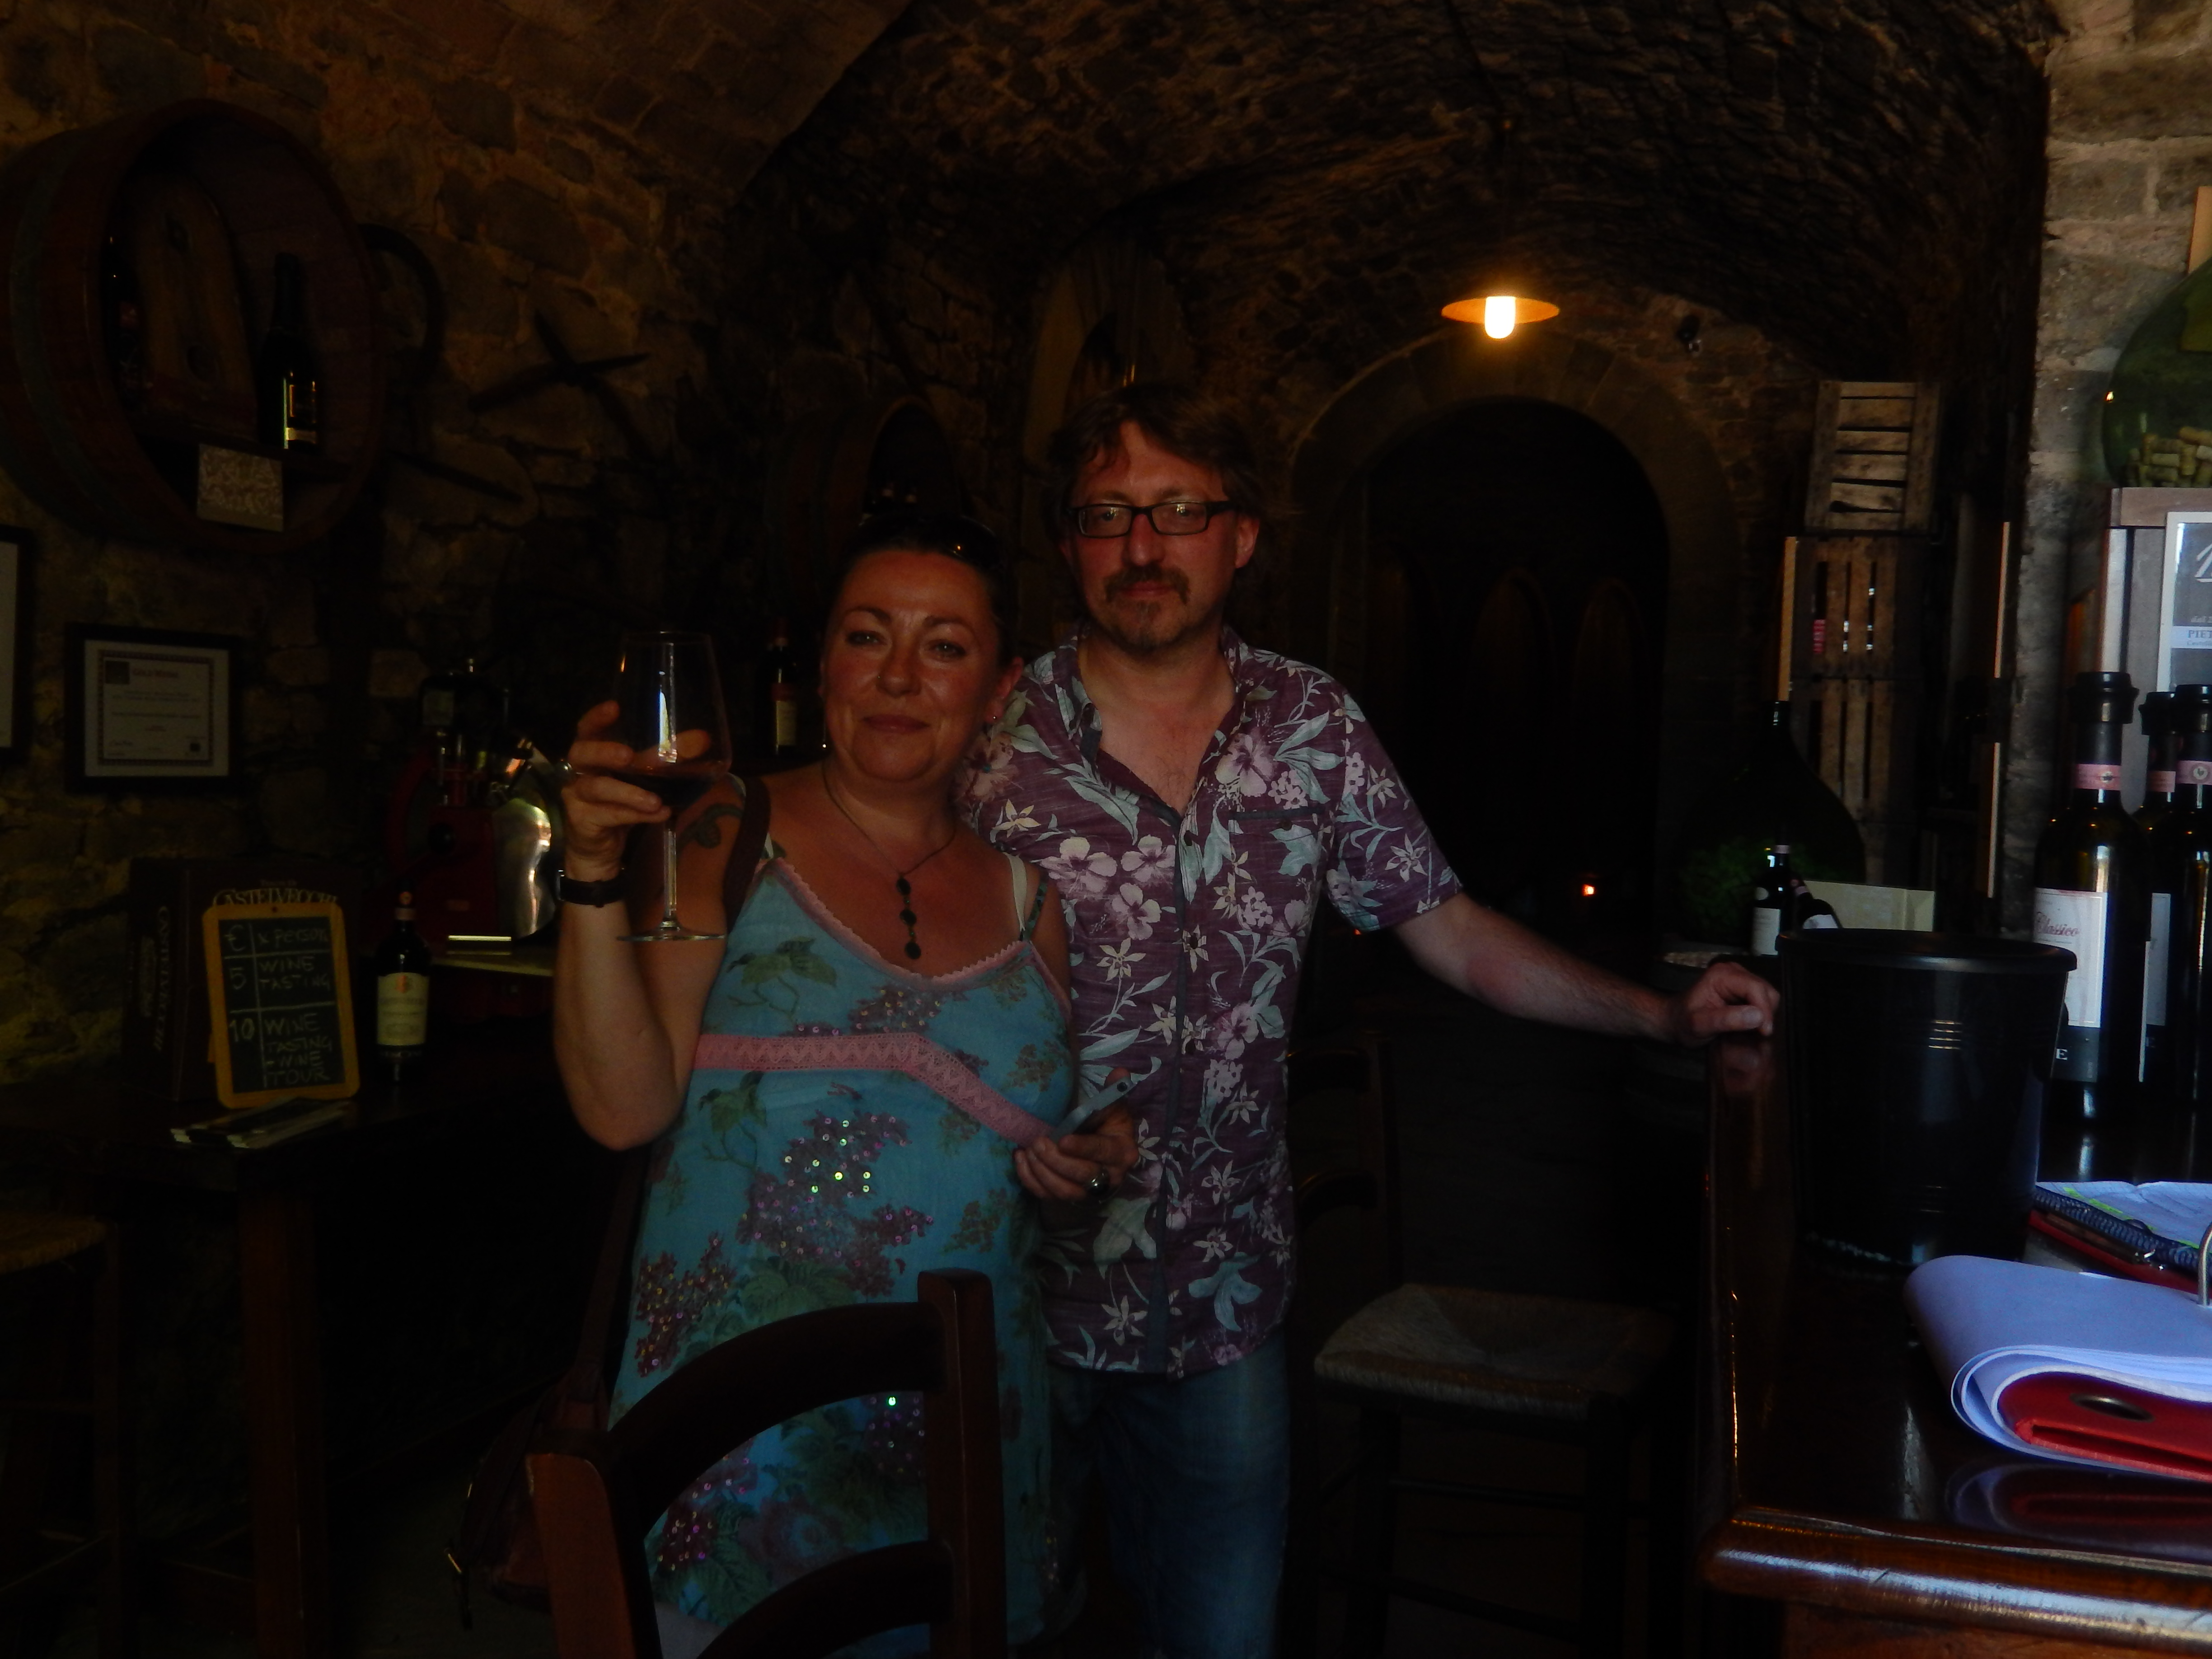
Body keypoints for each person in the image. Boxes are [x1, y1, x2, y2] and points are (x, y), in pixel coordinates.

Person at [965, 382, 1778, 1657]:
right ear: (1069, 543)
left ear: (1243, 536)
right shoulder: (989, 739)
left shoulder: (1314, 726)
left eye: (1180, 511)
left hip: (1219, 1296)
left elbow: (1451, 928)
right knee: (997, 1629)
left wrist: (1663, 1017)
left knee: (1222, 1642)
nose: (1143, 546)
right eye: (1108, 514)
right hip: (1011, 1287)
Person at [552, 510, 1138, 1656]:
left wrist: (1086, 1165)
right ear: (823, 662)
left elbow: (1028, 1166)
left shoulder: (1032, 902)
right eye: (869, 637)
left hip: (970, 1424)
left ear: (999, 688)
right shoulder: (728, 826)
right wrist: (588, 876)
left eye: (944, 647)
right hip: (748, 1436)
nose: (900, 677)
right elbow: (624, 1107)